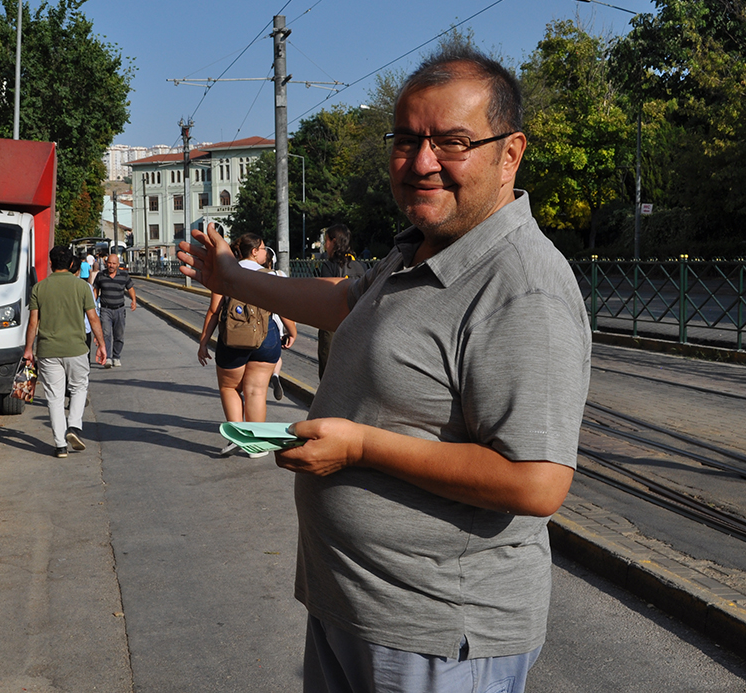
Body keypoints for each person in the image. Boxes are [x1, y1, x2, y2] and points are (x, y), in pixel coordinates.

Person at [177, 45, 591, 693]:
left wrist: (360, 446)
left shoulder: (521, 284)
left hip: (437, 636)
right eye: (406, 140)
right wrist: (233, 278)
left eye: (452, 142)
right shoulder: (420, 249)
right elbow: (344, 300)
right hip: (359, 608)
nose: (422, 163)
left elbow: (536, 482)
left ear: (510, 153)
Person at [196, 233, 286, 458]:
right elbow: (284, 308)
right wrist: (291, 332)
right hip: (266, 339)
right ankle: (256, 446)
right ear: (254, 251)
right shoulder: (272, 274)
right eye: (264, 248)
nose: (266, 252)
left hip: (233, 341)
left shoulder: (226, 275)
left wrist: (204, 342)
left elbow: (214, 311)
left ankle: (237, 436)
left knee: (230, 388)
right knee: (256, 391)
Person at [24, 246, 106, 458]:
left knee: (54, 397)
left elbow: (33, 323)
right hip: (76, 349)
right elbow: (93, 318)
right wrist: (101, 344)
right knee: (79, 388)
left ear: (51, 263)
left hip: (48, 350)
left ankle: (60, 446)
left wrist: (28, 350)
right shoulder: (82, 287)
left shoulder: (39, 288)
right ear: (71, 264)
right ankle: (74, 427)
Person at [315, 224, 365, 379]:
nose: (325, 245)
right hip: (357, 323)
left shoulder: (329, 266)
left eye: (326, 241)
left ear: (334, 241)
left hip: (333, 324)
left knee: (329, 371)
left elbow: (324, 296)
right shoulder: (361, 266)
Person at [261, 246, 297, 401]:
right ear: (273, 261)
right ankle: (275, 375)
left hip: (259, 321)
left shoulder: (252, 275)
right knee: (275, 354)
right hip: (277, 322)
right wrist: (292, 329)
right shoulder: (279, 274)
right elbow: (288, 302)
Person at [93, 253, 138, 368]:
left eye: (113, 263)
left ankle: (116, 357)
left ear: (118, 264)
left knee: (119, 335)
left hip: (119, 309)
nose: (111, 265)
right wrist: (93, 303)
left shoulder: (124, 275)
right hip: (105, 310)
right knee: (106, 334)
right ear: (106, 263)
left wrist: (133, 300)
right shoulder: (101, 275)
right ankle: (107, 357)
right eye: (109, 263)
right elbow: (96, 290)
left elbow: (130, 288)